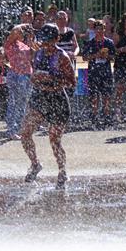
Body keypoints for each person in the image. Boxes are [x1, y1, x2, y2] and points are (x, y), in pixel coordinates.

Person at [21, 24, 76, 188]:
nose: (46, 45)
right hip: (39, 98)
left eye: (49, 42)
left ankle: (62, 171)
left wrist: (51, 80)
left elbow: (72, 82)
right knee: (25, 133)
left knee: (54, 139)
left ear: (57, 39)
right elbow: (33, 75)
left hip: (57, 100)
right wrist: (36, 77)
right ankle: (35, 164)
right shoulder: (38, 54)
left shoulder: (63, 57)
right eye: (44, 42)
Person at [81, 20, 116, 128]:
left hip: (106, 73)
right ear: (94, 30)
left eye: (101, 29)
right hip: (93, 72)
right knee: (94, 96)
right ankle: (94, 117)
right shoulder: (90, 43)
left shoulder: (109, 42)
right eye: (97, 29)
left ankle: (107, 116)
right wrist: (95, 55)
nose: (99, 31)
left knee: (106, 96)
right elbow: (84, 57)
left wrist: (107, 56)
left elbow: (114, 57)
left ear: (104, 29)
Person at [4, 24, 36, 139]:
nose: (22, 32)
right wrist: (24, 25)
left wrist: (31, 40)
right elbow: (14, 30)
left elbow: (32, 56)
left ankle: (18, 128)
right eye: (21, 32)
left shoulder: (23, 44)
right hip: (17, 75)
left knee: (23, 103)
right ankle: (11, 129)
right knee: (14, 102)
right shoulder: (10, 44)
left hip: (27, 75)